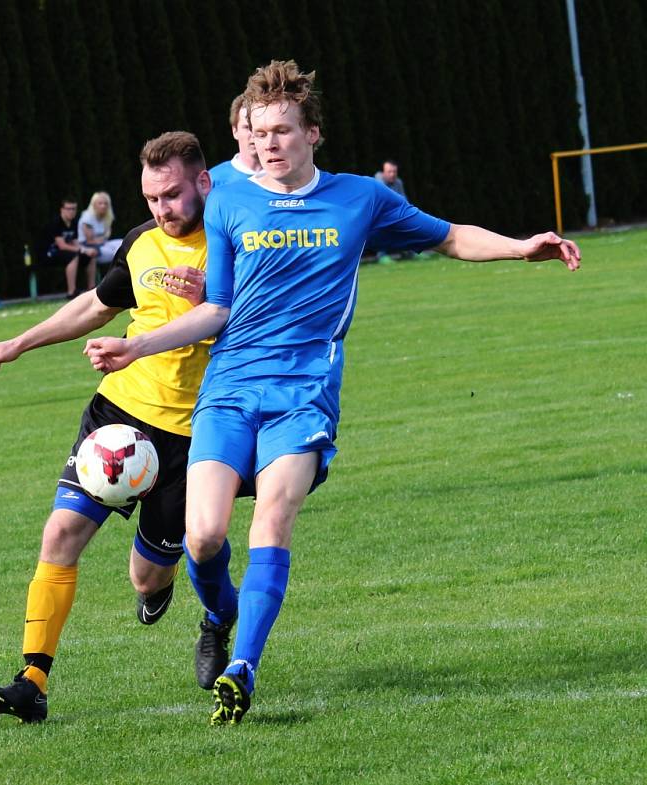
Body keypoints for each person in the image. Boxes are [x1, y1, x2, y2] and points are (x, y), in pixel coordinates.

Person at [83, 59, 581, 726]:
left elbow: (449, 235)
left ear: (312, 133)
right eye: (258, 132)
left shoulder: (359, 199)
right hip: (230, 389)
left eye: (282, 130)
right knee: (202, 537)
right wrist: (136, 345)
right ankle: (218, 615)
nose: (267, 143)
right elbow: (217, 310)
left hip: (304, 394)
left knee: (271, 520)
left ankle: (244, 668)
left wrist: (523, 248)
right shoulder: (230, 199)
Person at [0, 131, 212, 724]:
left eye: (173, 195)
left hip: (190, 437)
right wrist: (18, 342)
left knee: (144, 575)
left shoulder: (234, 242)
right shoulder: (140, 243)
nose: (163, 209)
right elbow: (95, 306)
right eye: (152, 198)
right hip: (118, 415)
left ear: (203, 183)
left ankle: (159, 588)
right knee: (60, 535)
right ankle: (32, 680)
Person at [37, 198, 97, 298]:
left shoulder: (74, 223)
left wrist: (86, 251)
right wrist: (82, 250)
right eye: (69, 209)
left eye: (74, 209)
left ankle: (92, 288)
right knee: (73, 256)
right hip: (49, 253)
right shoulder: (56, 223)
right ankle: (71, 292)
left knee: (91, 255)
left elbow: (75, 243)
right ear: (62, 209)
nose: (72, 211)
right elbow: (62, 245)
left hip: (64, 253)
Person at [208, 94, 263, 187]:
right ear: (235, 131)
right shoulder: (214, 180)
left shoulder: (285, 176)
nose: (254, 134)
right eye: (247, 127)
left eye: (259, 127)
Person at [77, 191, 121, 265]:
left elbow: (104, 238)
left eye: (105, 203)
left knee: (123, 243)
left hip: (102, 244)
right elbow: (89, 241)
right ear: (94, 204)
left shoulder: (106, 218)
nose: (103, 206)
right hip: (89, 247)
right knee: (118, 252)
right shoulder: (87, 218)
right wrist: (100, 240)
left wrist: (101, 240)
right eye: (100, 203)